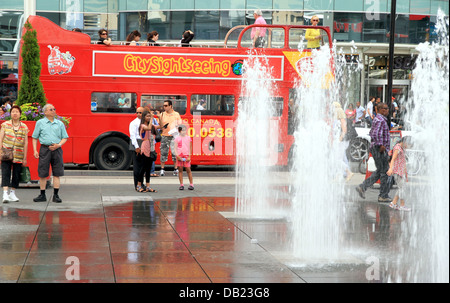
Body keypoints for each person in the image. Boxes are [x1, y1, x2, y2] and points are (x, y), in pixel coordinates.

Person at [32, 104, 69, 203]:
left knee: (57, 173)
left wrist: (59, 145)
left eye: (54, 109)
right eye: (51, 109)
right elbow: (34, 137)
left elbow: (65, 137)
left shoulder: (59, 123)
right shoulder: (40, 123)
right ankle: (42, 195)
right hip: (44, 149)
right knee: (43, 172)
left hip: (56, 149)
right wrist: (35, 150)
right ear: (45, 112)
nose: (53, 111)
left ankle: (56, 195)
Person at [356, 102, 392, 203]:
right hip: (379, 149)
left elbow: (372, 132)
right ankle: (383, 195)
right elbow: (376, 134)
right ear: (378, 110)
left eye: (387, 108)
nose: (386, 110)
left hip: (378, 148)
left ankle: (363, 187)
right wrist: (381, 145)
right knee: (384, 172)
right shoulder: (380, 120)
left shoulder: (379, 119)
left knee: (380, 171)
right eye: (384, 108)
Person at [0, 105, 29, 203]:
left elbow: (25, 143)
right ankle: (5, 194)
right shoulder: (5, 124)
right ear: (10, 114)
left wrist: (25, 157)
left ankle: (12, 193)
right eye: (13, 112)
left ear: (20, 114)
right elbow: (0, 139)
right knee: (5, 172)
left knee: (16, 174)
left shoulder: (24, 127)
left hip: (19, 154)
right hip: (6, 153)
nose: (15, 113)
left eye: (17, 112)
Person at [387, 136, 412, 211]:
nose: (408, 146)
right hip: (398, 172)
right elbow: (393, 159)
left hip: (401, 172)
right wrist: (390, 169)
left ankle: (393, 203)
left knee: (401, 188)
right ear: (404, 142)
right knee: (402, 188)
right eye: (408, 144)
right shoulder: (398, 148)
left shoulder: (401, 148)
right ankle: (402, 205)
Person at [157, 100, 182, 176]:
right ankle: (162, 169)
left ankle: (175, 169)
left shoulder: (176, 114)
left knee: (175, 153)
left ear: (170, 106)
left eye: (166, 106)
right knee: (164, 152)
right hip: (165, 135)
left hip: (174, 136)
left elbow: (180, 125)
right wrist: (160, 121)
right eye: (164, 106)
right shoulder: (162, 114)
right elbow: (160, 126)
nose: (164, 107)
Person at [136, 110, 157, 193]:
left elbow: (161, 126)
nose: (148, 118)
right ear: (144, 117)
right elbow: (148, 128)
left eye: (149, 116)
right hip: (145, 146)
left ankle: (148, 186)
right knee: (143, 167)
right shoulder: (142, 126)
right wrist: (152, 118)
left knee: (148, 168)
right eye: (147, 116)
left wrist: (160, 117)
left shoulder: (151, 125)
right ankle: (139, 185)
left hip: (151, 147)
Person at [333, 102, 353, 182]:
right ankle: (338, 175)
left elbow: (344, 130)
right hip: (339, 141)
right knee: (342, 158)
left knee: (338, 159)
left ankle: (348, 172)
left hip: (341, 141)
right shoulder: (338, 120)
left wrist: (339, 139)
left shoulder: (342, 119)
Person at [175, 125, 194, 190]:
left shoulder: (188, 138)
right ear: (179, 131)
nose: (184, 132)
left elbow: (190, 147)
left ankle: (191, 184)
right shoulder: (177, 138)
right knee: (180, 169)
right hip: (179, 156)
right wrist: (177, 156)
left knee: (188, 169)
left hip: (186, 155)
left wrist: (189, 156)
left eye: (185, 130)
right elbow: (175, 148)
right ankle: (181, 184)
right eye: (182, 130)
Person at [129, 107, 144, 190]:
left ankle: (141, 183)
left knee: (143, 166)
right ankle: (137, 185)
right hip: (136, 144)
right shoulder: (133, 123)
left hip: (144, 144)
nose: (138, 114)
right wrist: (137, 147)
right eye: (137, 112)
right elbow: (132, 136)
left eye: (140, 112)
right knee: (137, 166)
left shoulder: (146, 122)